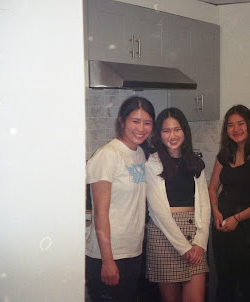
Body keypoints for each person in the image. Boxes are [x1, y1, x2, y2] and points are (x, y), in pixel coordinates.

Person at [85, 96, 155, 302]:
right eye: (135, 121)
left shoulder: (139, 153)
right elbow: (100, 212)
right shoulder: (107, 155)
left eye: (147, 122)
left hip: (133, 250)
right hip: (107, 255)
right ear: (121, 120)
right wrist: (108, 260)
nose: (141, 128)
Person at [145, 108, 211, 302]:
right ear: (159, 134)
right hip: (164, 235)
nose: (172, 135)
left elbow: (204, 205)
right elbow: (158, 211)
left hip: (195, 234)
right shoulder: (152, 162)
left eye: (177, 129)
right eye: (166, 131)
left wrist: (200, 243)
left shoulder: (194, 161)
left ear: (185, 131)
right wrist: (184, 248)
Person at [208, 105, 250, 302]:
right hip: (221, 226)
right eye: (231, 125)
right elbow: (212, 189)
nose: (236, 129)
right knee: (224, 282)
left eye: (240, 124)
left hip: (248, 230)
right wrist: (216, 212)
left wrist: (237, 218)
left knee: (248, 284)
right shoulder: (224, 155)